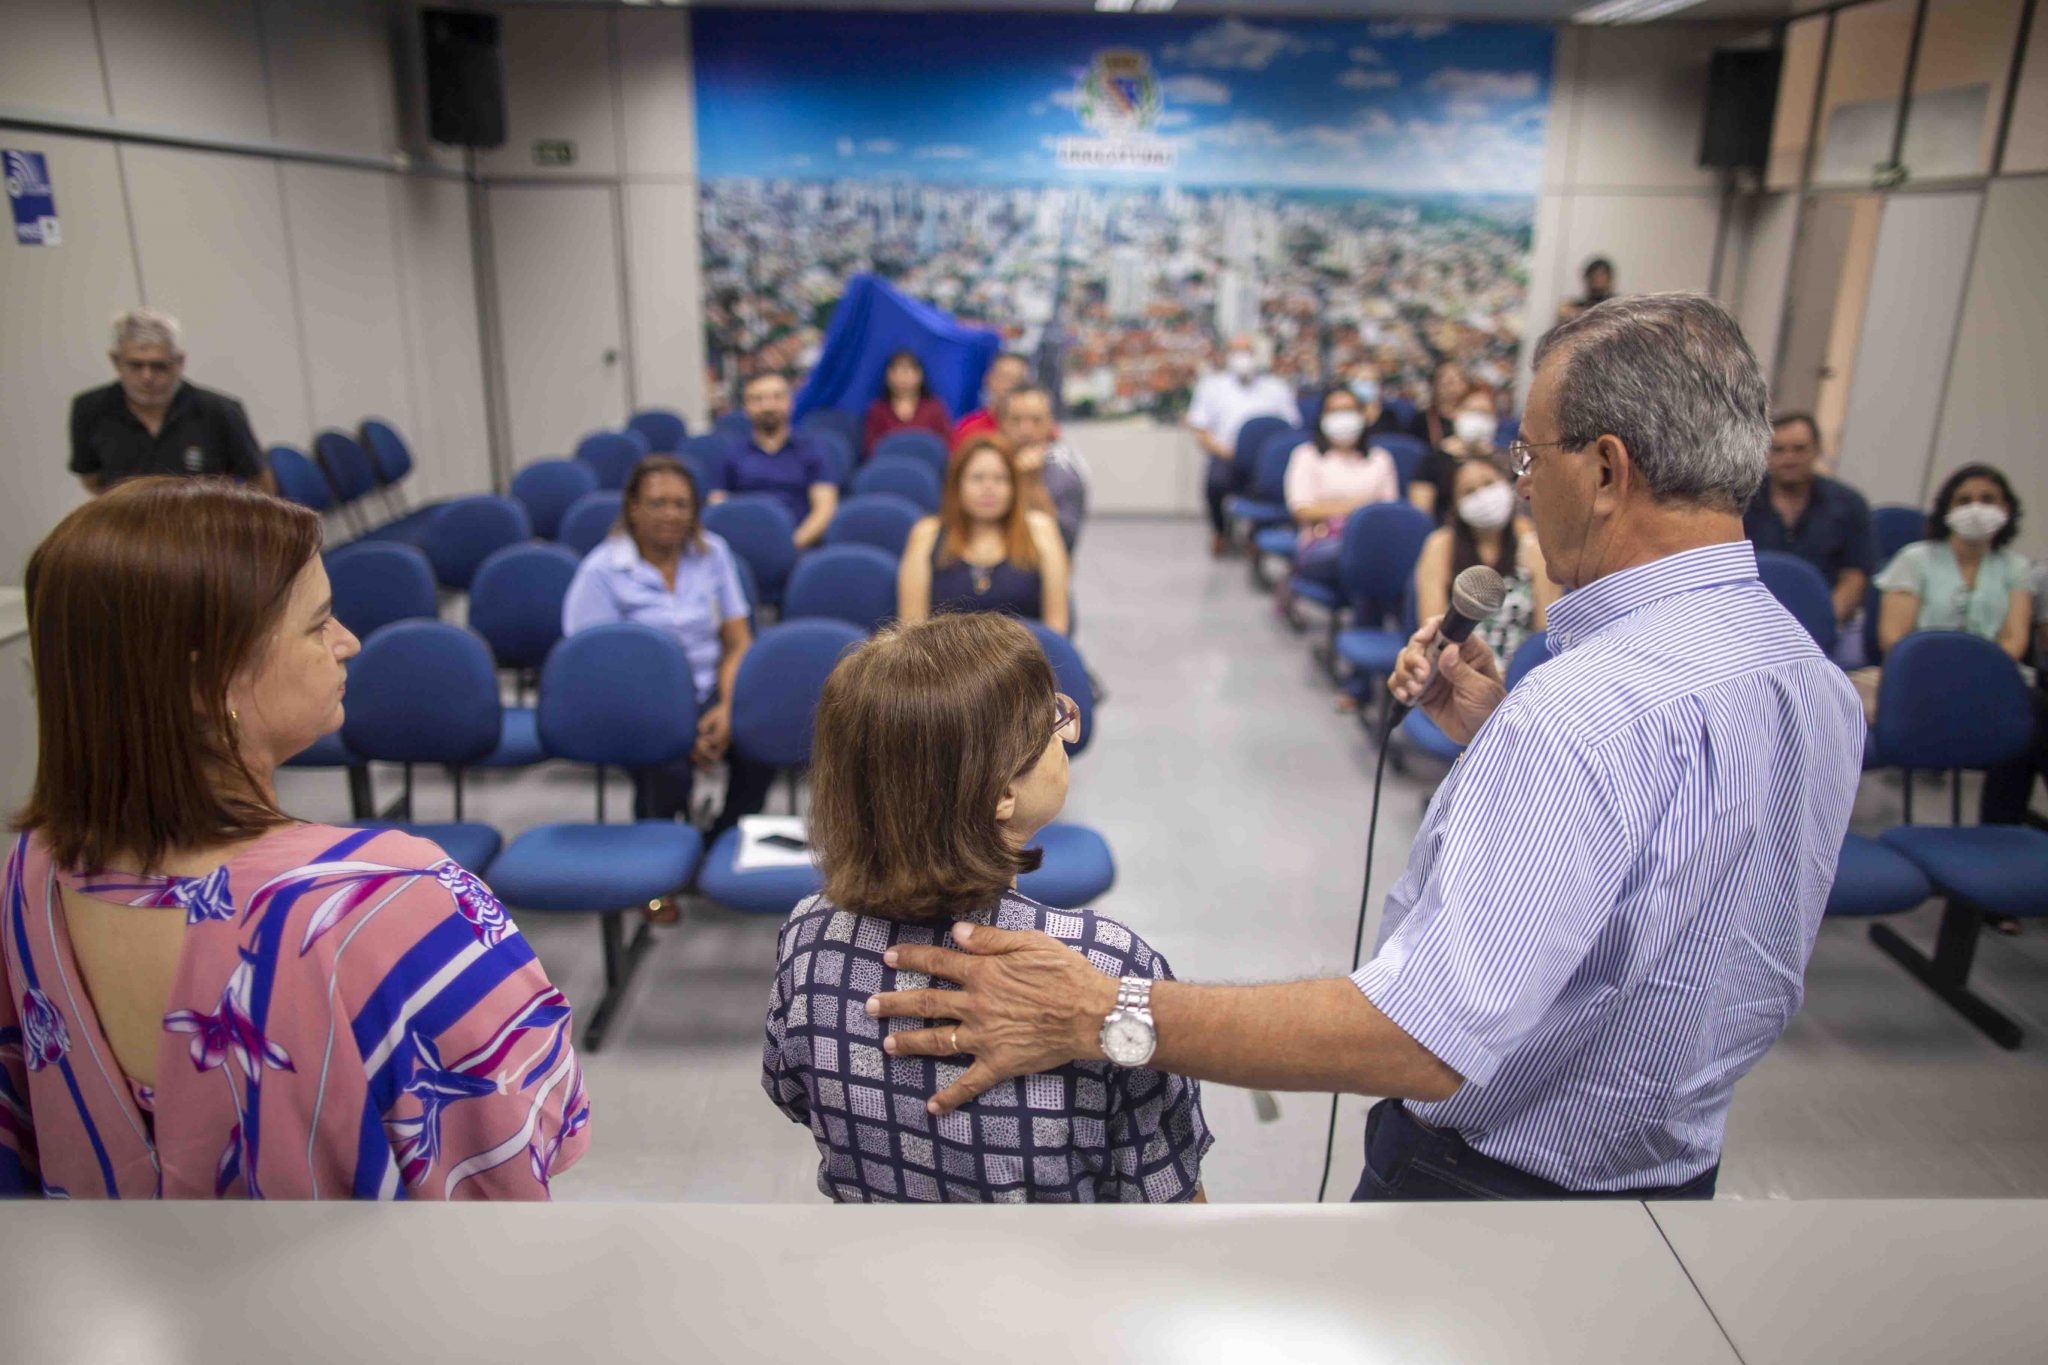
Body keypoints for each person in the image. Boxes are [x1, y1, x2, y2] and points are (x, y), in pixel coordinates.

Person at [869, 294, 1865, 1203]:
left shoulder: (1580, 714)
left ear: (1605, 470)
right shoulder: (1807, 679)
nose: (1518, 490)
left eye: (1527, 459)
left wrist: (1096, 1012)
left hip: (1491, 1194)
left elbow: (1421, 1040)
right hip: (1674, 1176)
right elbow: (1680, 884)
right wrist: (1496, 734)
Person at [0, 478, 587, 1199]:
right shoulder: (386, 898)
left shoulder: (30, 873)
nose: (349, 642)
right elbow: (514, 1143)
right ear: (207, 678)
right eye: (318, 624)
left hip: (120, 1301)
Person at [763, 612, 1210, 1203]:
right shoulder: (1100, 965)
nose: (1065, 731)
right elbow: (1164, 1181)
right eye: (1053, 721)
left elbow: (791, 1088)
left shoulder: (807, 935)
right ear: (1002, 792)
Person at [562, 456, 774, 921]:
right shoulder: (602, 571)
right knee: (666, 769)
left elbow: (739, 640)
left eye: (681, 504)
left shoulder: (713, 553)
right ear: (633, 508)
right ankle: (653, 881)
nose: (671, 514)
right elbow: (595, 667)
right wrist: (677, 728)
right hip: (639, 705)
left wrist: (728, 707)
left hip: (710, 691)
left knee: (758, 752)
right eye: (657, 503)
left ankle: (711, 850)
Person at [1869, 465, 2038, 929]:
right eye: (1965, 499)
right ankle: (1998, 891)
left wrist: (1982, 680)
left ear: (2007, 510)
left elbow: (2015, 639)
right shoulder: (1915, 559)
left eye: (1989, 498)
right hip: (1918, 682)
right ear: (1946, 508)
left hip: (1999, 683)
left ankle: (2004, 865)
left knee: (2032, 728)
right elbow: (1894, 637)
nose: (1977, 509)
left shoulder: (2018, 569)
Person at [68, 309, 274, 496]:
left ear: (179, 362)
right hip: (131, 527)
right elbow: (91, 479)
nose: (147, 377)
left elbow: (259, 482)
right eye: (135, 365)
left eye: (159, 366)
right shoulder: (89, 409)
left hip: (204, 526)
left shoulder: (220, 411)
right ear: (115, 361)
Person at [898, 436, 1069, 635]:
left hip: (1024, 661)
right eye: (977, 478)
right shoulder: (927, 534)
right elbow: (910, 631)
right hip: (946, 662)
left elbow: (1057, 630)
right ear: (957, 484)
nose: (989, 488)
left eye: (1000, 479)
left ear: (1014, 487)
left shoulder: (1040, 529)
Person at [1416, 456, 1555, 663]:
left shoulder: (1532, 545)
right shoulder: (1441, 546)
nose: (1483, 496)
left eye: (1489, 484)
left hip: (1523, 675)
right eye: (1469, 492)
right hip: (1458, 670)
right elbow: (1432, 631)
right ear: (1455, 504)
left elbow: (1546, 633)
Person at [1743, 414, 1873, 629]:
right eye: (1779, 450)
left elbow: (1854, 578)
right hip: (1748, 623)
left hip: (1825, 626)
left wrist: (1821, 625)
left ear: (1817, 450)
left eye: (1799, 449)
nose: (1789, 459)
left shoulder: (1849, 504)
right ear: (1764, 454)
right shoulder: (1739, 502)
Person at [1282, 384, 1401, 602]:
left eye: (1349, 410)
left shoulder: (1380, 459)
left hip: (1371, 542)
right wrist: (1363, 507)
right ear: (1322, 417)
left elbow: (1388, 512)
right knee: (1357, 558)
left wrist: (1333, 508)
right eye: (1335, 412)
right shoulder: (1306, 456)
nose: (1343, 418)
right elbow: (1302, 510)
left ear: (1363, 415)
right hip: (1321, 544)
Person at [1187, 335, 1301, 557]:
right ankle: (1220, 532)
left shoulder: (1276, 387)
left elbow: (1292, 427)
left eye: (1247, 351)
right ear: (1226, 355)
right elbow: (1200, 428)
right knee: (1215, 483)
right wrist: (1226, 451)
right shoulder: (1211, 386)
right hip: (1227, 455)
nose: (1242, 357)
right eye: (1236, 351)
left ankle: (1260, 535)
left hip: (1268, 461)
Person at [711, 370, 837, 549]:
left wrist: (790, 546)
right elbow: (718, 505)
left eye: (777, 397)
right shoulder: (732, 453)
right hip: (745, 547)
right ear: (746, 407)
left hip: (798, 547)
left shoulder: (813, 450)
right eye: (758, 399)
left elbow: (824, 509)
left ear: (790, 403)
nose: (768, 406)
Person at [995, 383, 1089, 553]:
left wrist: (1033, 484)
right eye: (1016, 420)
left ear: (1050, 423)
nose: (1026, 430)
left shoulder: (1065, 473)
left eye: (1036, 420)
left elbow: (1063, 542)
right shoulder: (985, 465)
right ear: (1002, 423)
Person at [1410, 381, 1501, 523]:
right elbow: (1420, 515)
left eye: (1485, 413)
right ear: (1457, 413)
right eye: (1472, 411)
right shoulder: (1432, 460)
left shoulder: (1501, 461)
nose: (1478, 419)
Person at [861, 350, 952, 459]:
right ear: (888, 376)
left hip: (928, 468)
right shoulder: (878, 410)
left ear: (920, 375)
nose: (903, 377)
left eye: (908, 371)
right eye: (897, 371)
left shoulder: (934, 408)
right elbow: (870, 449)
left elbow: (945, 445)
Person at [953, 353, 1032, 446]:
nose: (1008, 386)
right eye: (1003, 377)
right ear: (988, 378)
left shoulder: (1035, 429)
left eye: (1015, 380)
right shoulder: (969, 429)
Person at [1417, 359, 1472, 451]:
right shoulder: (1422, 420)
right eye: (1449, 382)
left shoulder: (1476, 415)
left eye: (1460, 380)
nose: (1455, 388)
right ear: (1434, 385)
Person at [1557, 257, 1617, 324]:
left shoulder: (1618, 304)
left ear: (1609, 279)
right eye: (1594, 276)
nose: (1597, 279)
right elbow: (1563, 311)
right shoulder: (1582, 303)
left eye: (1601, 275)